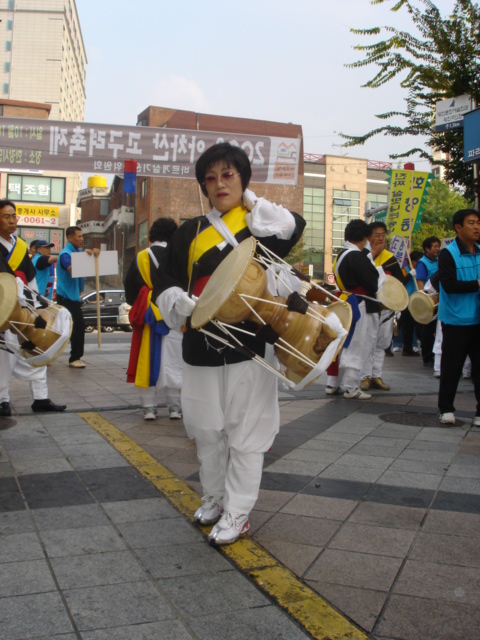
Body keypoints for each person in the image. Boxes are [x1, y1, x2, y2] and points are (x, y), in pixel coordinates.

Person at [153, 142, 305, 545]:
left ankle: (238, 513)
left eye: (228, 175)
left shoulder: (259, 225)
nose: (219, 184)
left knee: (245, 433)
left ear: (242, 179)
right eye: (210, 178)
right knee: (206, 430)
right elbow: (164, 282)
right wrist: (176, 301)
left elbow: (293, 227)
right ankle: (215, 498)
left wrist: (255, 205)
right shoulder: (189, 231)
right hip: (200, 342)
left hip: (250, 345)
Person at [0, 199, 66, 416]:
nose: (12, 221)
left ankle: (41, 398)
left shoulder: (18, 244)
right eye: (6, 217)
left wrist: (37, 305)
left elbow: (29, 278)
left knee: (37, 348)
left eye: (13, 215)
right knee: (4, 357)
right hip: (4, 308)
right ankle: (2, 400)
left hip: (24, 307)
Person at [125, 217, 184, 421]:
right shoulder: (178, 256)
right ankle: (175, 408)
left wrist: (142, 303)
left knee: (146, 360)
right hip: (174, 315)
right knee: (175, 360)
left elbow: (130, 291)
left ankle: (149, 408)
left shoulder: (141, 257)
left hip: (148, 317)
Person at [326, 219, 382, 399]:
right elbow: (372, 283)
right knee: (356, 344)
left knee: (341, 343)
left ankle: (334, 383)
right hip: (358, 304)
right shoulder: (356, 256)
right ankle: (351, 386)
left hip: (344, 301)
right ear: (365, 237)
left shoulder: (342, 253)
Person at [436, 209, 480, 425]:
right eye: (471, 223)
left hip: (478, 319)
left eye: (478, 223)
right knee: (451, 367)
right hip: (456, 321)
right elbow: (450, 286)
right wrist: (478, 284)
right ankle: (446, 409)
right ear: (458, 227)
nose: (476, 227)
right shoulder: (448, 254)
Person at [360, 221, 407, 392]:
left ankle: (376, 375)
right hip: (367, 306)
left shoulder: (390, 258)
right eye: (376, 235)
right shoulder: (362, 255)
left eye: (383, 235)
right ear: (368, 237)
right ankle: (363, 376)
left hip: (386, 309)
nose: (380, 238)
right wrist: (373, 254)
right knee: (366, 342)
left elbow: (399, 282)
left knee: (381, 343)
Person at [56, 226, 99, 369]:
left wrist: (91, 255)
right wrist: (86, 259)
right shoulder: (65, 255)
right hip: (66, 297)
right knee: (78, 326)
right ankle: (74, 358)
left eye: (82, 237)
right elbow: (71, 269)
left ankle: (68, 355)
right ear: (69, 237)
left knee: (65, 327)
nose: (82, 239)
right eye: (79, 236)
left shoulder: (76, 252)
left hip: (73, 297)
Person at [416, 236, 440, 366]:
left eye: (438, 246)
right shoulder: (422, 263)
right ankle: (427, 356)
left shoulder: (439, 261)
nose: (437, 249)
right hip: (429, 299)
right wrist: (424, 300)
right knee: (428, 331)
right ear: (427, 248)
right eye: (434, 246)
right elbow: (420, 282)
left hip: (439, 298)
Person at [398, 250, 423, 356]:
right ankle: (405, 348)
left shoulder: (419, 270)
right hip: (406, 301)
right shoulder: (404, 270)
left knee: (411, 326)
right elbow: (400, 282)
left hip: (415, 301)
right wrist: (409, 274)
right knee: (405, 325)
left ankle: (409, 347)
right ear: (412, 261)